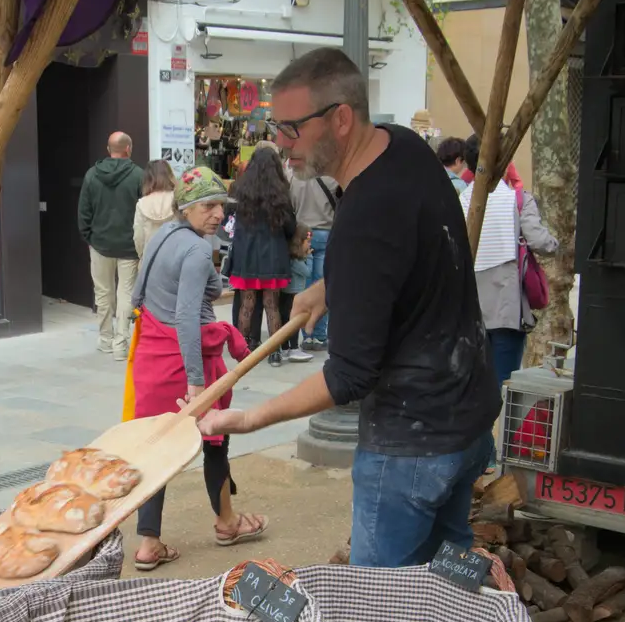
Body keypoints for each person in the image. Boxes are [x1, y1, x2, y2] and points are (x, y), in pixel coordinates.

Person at [197, 48, 499, 569]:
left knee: (377, 610)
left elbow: (350, 375)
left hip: (410, 447)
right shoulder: (404, 146)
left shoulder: (362, 218)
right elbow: (406, 256)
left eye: (291, 128)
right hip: (467, 418)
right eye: (276, 125)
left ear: (340, 118)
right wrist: (332, 286)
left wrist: (252, 417)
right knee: (451, 589)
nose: (281, 143)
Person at [127, 167, 266, 570]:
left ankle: (148, 543)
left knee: (156, 450)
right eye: (208, 206)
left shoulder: (160, 237)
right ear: (186, 207)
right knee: (214, 441)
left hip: (150, 357)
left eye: (221, 206)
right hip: (185, 362)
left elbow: (138, 295)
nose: (218, 215)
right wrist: (193, 382)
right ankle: (227, 522)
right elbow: (188, 317)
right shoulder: (197, 250)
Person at [462, 161, 560, 391]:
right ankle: (499, 427)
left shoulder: (460, 199)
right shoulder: (517, 200)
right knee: (505, 383)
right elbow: (538, 240)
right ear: (504, 164)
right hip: (506, 306)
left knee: (474, 385)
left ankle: (480, 427)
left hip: (469, 311)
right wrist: (559, 245)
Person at [222, 146, 296, 366]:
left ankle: (242, 349)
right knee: (272, 305)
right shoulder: (281, 194)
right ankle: (274, 352)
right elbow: (290, 227)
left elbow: (230, 223)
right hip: (273, 255)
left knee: (247, 303)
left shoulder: (241, 192)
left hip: (247, 255)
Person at [78, 131, 145, 358]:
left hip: (99, 244)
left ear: (109, 150)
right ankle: (121, 344)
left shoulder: (91, 175)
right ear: (129, 149)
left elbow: (83, 212)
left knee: (103, 293)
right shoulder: (139, 176)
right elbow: (143, 213)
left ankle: (105, 339)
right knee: (126, 293)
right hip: (129, 246)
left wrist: (89, 237)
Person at [285, 158, 338, 354]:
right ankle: (319, 335)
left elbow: (290, 206)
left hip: (302, 234)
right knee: (323, 285)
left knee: (305, 285)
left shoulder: (296, 179)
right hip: (326, 233)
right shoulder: (332, 179)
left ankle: (305, 335)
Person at [131, 160, 176, 262]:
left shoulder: (142, 204)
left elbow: (138, 237)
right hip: (175, 258)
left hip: (150, 260)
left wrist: (142, 256)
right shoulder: (178, 200)